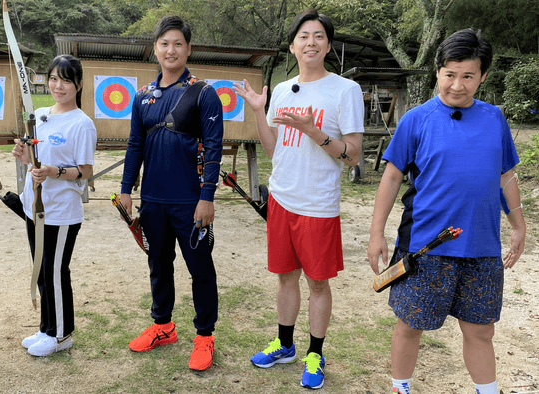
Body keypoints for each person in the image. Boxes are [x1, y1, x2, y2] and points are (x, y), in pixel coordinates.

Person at [367, 29, 526, 394]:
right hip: (426, 246)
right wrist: (376, 234)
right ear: (437, 71)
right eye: (450, 74)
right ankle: (400, 388)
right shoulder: (417, 119)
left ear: (482, 76)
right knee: (410, 323)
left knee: (481, 329)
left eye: (468, 76)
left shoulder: (494, 119)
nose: (457, 85)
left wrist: (518, 225)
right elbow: (391, 178)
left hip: (482, 246)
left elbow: (506, 175)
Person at [233, 9, 364, 389]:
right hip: (281, 199)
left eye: (318, 36)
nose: (311, 42)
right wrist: (259, 111)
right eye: (303, 36)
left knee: (318, 284)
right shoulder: (283, 89)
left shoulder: (344, 90)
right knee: (285, 278)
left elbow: (352, 154)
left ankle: (315, 353)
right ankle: (285, 345)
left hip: (318, 204)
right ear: (293, 46)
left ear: (327, 44)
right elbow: (275, 150)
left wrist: (314, 131)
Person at [119, 15, 224, 371]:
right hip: (153, 201)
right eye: (164, 43)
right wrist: (125, 190)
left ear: (188, 49)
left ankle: (204, 336)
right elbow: (135, 145)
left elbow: (214, 147)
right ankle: (163, 327)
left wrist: (207, 197)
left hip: (191, 202)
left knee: (200, 269)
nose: (171, 50)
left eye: (178, 43)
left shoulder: (203, 93)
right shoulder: (142, 97)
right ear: (155, 49)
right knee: (158, 265)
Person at [12, 55, 96, 357]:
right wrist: (23, 154)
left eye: (66, 80)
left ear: (79, 84)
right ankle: (47, 326)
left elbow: (85, 170)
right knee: (42, 269)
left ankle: (61, 334)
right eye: (54, 78)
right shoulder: (41, 114)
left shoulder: (83, 124)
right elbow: (33, 159)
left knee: (55, 271)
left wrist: (54, 172)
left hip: (61, 211)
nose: (58, 85)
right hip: (34, 205)